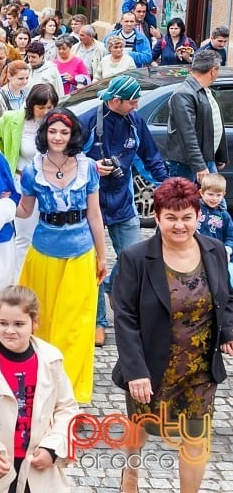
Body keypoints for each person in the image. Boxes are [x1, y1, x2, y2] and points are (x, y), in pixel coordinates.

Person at [112, 177, 233, 493]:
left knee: (196, 436)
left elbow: (226, 297)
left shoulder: (215, 250)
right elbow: (124, 318)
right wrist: (135, 372)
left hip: (200, 369)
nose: (179, 225)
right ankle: (131, 477)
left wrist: (228, 332)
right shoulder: (136, 258)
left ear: (197, 215)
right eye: (171, 217)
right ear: (157, 216)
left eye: (186, 217)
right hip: (152, 368)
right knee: (141, 430)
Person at [15, 109, 106, 403]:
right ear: (45, 134)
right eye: (53, 131)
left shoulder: (88, 167)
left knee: (77, 327)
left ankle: (72, 395)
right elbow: (25, 209)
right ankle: (43, 391)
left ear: (72, 135)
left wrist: (102, 256)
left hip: (80, 253)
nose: (57, 137)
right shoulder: (32, 169)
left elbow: (94, 215)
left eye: (63, 132)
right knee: (44, 322)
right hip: (44, 253)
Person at [0, 286, 80, 493]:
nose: (10, 330)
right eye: (3, 323)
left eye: (19, 324)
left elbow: (67, 407)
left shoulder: (51, 360)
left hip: (38, 464)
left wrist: (52, 448)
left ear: (34, 323)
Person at [81, 75, 169, 347]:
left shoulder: (135, 121)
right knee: (94, 264)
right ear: (115, 100)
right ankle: (98, 322)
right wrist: (92, 165)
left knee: (135, 258)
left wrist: (167, 187)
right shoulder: (87, 120)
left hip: (122, 202)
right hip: (91, 204)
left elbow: (150, 156)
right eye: (132, 101)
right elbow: (67, 157)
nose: (137, 104)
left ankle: (116, 291)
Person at [0, 84, 59, 279]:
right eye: (41, 107)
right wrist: (0, 156)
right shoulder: (13, 119)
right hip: (22, 182)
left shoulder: (56, 124)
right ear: (31, 105)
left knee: (49, 233)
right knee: (24, 235)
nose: (45, 112)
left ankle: (42, 276)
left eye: (50, 107)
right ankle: (19, 280)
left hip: (50, 184)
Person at [164, 49, 228, 184]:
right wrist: (199, 166)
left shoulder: (206, 91)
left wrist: (219, 155)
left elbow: (214, 123)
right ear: (213, 70)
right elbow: (187, 134)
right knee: (182, 204)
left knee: (216, 204)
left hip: (206, 160)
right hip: (187, 165)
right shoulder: (184, 94)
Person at [197, 173, 233, 266]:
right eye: (210, 194)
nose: (214, 198)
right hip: (195, 254)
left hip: (216, 256)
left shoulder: (224, 215)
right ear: (201, 192)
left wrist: (227, 250)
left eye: (218, 195)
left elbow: (230, 236)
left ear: (224, 194)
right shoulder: (193, 210)